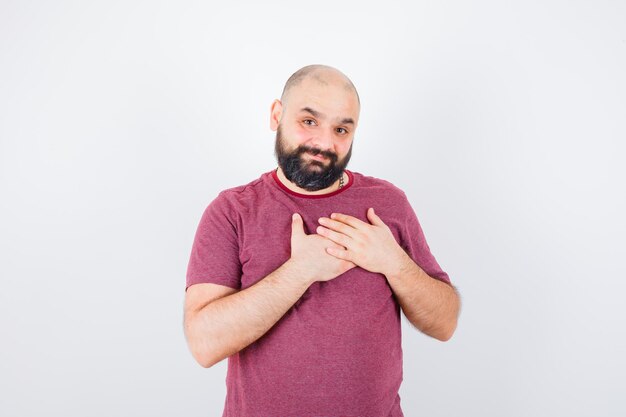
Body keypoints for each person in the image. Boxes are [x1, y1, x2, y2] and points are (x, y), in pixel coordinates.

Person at [183, 64, 460, 417]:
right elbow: (204, 344)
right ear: (276, 115)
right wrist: (300, 272)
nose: (325, 144)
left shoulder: (389, 204)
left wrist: (393, 262)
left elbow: (445, 323)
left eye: (341, 129)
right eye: (309, 121)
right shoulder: (231, 211)